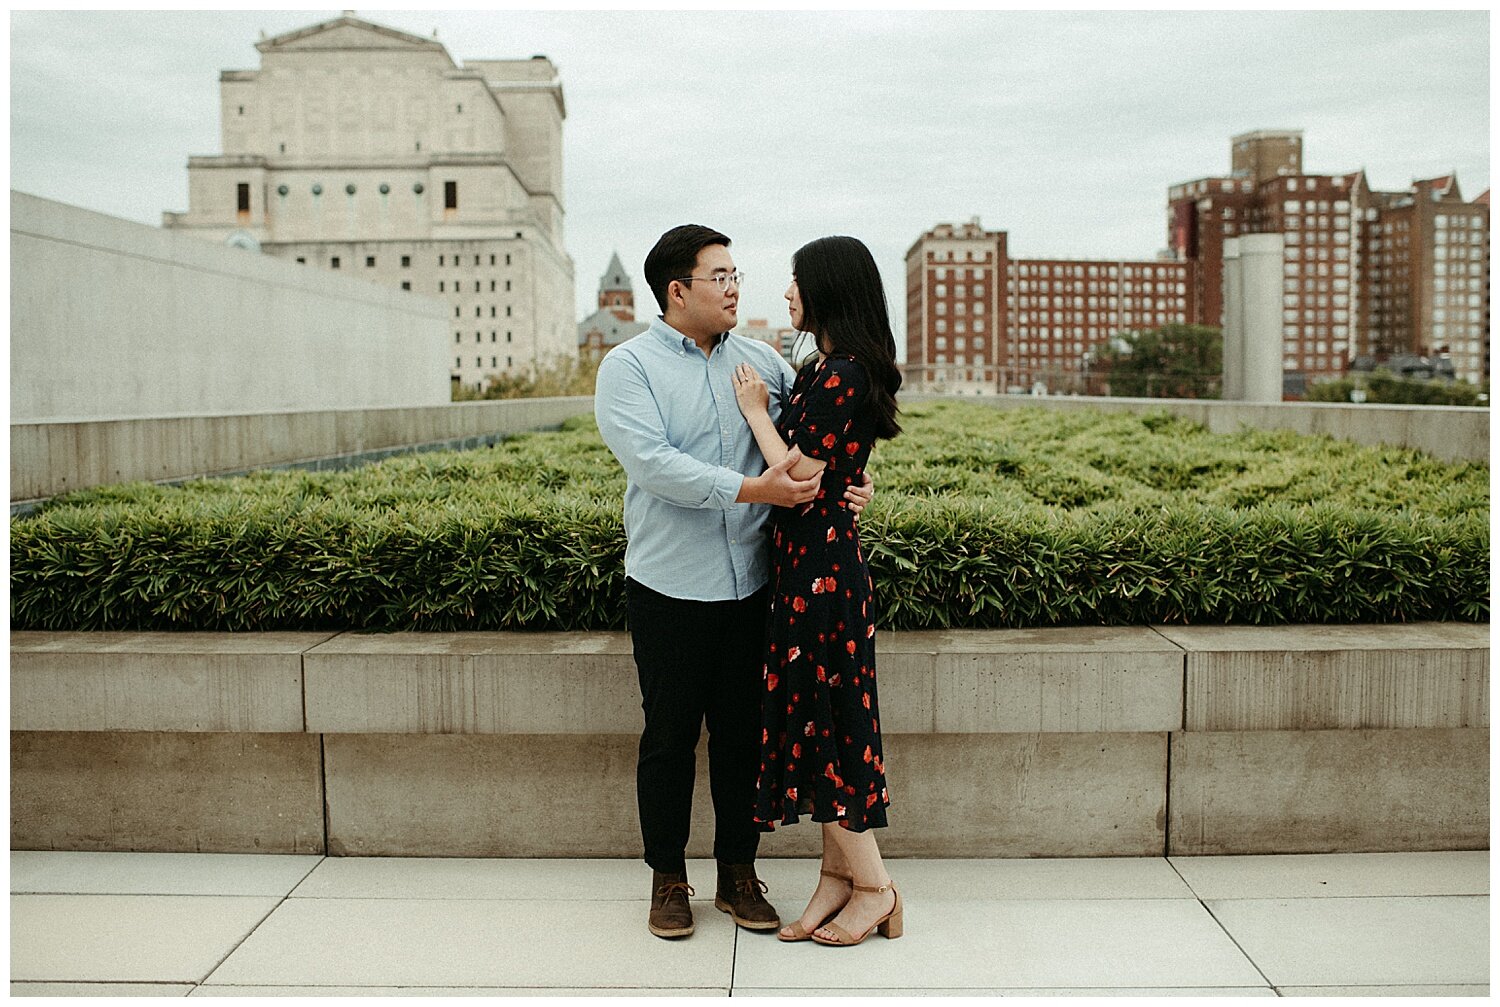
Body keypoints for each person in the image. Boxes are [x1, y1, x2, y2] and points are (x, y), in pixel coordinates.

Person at [593, 224, 873, 940]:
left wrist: (853, 485)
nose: (734, 286)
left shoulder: (763, 362)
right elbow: (655, 466)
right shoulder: (629, 368)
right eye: (718, 276)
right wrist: (758, 490)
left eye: (736, 273)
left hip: (754, 585)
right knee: (669, 735)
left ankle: (737, 872)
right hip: (668, 586)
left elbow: (816, 443)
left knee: (745, 738)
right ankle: (667, 877)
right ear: (676, 290)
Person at [729, 235, 904, 947]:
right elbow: (838, 470)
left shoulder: (842, 374)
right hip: (813, 567)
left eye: (796, 282)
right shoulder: (828, 368)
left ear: (828, 288)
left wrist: (754, 413)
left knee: (826, 722)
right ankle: (836, 880)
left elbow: (797, 481)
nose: (786, 293)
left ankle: (876, 887)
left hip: (822, 573)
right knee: (820, 718)